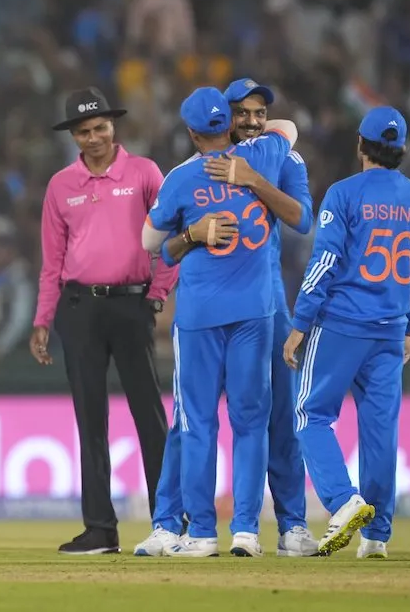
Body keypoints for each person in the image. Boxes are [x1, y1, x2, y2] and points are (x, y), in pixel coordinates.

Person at [135, 78, 318, 558]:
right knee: (250, 420)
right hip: (257, 306)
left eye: (260, 113)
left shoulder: (183, 176)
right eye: (244, 114)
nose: (254, 121)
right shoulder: (273, 152)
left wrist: (194, 233)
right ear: (230, 120)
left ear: (192, 133)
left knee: (201, 421)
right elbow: (288, 129)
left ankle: (207, 530)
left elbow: (153, 246)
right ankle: (236, 530)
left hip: (219, 311)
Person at [29, 87, 177, 555]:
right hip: (79, 310)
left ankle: (168, 521)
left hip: (132, 304)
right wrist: (42, 319)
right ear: (73, 135)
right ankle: (100, 528)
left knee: (149, 417)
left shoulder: (145, 172)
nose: (94, 137)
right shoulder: (61, 185)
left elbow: (171, 235)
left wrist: (157, 295)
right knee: (89, 418)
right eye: (85, 131)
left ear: (114, 127)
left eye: (101, 128)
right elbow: (52, 261)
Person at [284, 107, 410, 558]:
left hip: (342, 324)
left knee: (311, 414)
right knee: (380, 431)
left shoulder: (345, 194)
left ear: (360, 145)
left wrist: (299, 323)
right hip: (389, 331)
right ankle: (377, 536)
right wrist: (408, 324)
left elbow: (325, 261)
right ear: (401, 150)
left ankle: (343, 501)